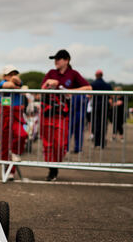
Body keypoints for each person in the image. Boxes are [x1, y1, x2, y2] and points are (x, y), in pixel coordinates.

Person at [41, 49, 91, 181]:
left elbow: (88, 88)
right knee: (48, 143)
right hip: (48, 113)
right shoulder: (51, 73)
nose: (55, 61)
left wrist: (68, 90)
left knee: (60, 143)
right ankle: (52, 169)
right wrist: (48, 83)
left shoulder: (73, 74)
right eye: (55, 59)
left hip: (63, 114)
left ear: (66, 60)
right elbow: (41, 89)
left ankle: (55, 165)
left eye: (58, 59)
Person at [0, 65, 28, 179]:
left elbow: (17, 81)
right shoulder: (2, 83)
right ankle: (8, 171)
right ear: (4, 76)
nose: (13, 76)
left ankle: (14, 153)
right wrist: (15, 85)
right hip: (4, 116)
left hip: (16, 116)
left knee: (22, 135)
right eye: (10, 74)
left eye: (15, 73)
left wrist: (15, 81)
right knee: (4, 146)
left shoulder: (19, 82)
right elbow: (7, 85)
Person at [91, 69, 112, 148]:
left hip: (96, 106)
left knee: (96, 124)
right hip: (105, 106)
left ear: (96, 75)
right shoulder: (107, 85)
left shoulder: (93, 84)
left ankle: (96, 143)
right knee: (103, 124)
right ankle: (102, 143)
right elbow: (111, 96)